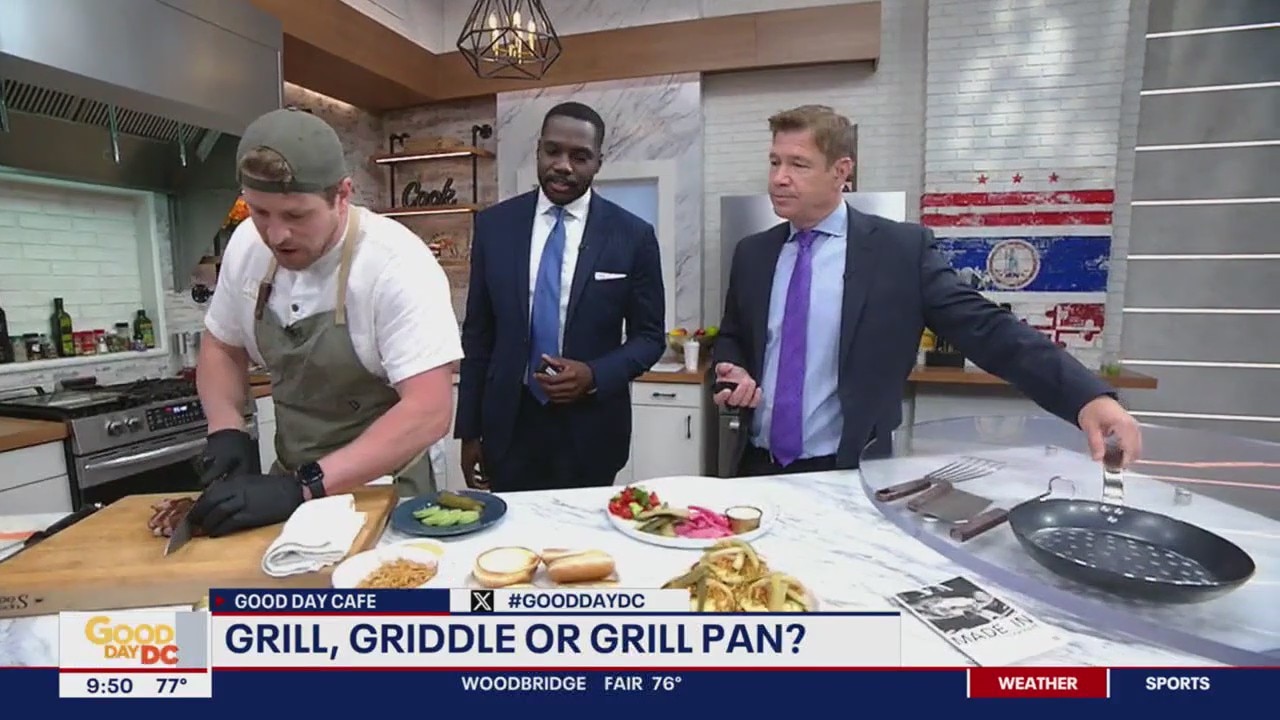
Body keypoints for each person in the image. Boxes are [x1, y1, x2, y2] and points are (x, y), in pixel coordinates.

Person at [713, 104, 1142, 476]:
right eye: (774, 162)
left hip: (846, 471)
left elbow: (988, 328)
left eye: (798, 164)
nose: (779, 178)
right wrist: (734, 369)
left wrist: (1086, 397)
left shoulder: (899, 251)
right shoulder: (753, 254)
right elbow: (733, 336)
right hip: (754, 467)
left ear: (841, 171)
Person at [188, 107, 461, 537]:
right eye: (260, 212)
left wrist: (305, 487)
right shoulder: (246, 245)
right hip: (291, 486)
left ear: (342, 195)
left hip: (385, 491)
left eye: (296, 215)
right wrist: (226, 428)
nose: (276, 235)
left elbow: (429, 410)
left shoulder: (396, 264)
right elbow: (222, 344)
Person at [456, 101, 666, 492]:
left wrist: (593, 375)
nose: (563, 165)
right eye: (553, 151)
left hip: (591, 431)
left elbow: (650, 338)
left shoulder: (632, 236)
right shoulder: (494, 227)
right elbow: (478, 335)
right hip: (508, 428)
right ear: (538, 150)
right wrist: (469, 431)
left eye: (579, 156)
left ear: (598, 162)